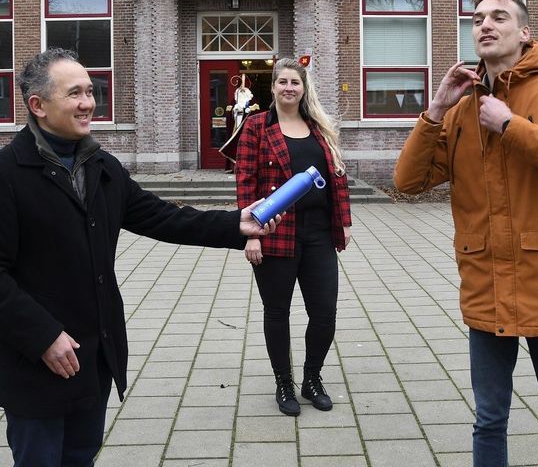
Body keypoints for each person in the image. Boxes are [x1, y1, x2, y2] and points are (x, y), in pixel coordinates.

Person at [0, 48, 282, 467]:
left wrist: (234, 225)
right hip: (36, 360)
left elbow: (161, 217)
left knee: (81, 455)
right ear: (37, 106)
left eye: (90, 91)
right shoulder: (7, 173)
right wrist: (42, 335)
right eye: (74, 93)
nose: (88, 102)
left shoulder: (101, 166)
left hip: (94, 352)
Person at [394, 0, 538, 466]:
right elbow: (407, 182)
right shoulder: (460, 107)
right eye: (477, 20)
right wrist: (434, 110)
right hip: (486, 285)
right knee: (489, 422)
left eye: (498, 17)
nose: (485, 25)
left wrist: (512, 126)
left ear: (525, 33)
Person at [235, 57, 352, 416]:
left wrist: (343, 221)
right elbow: (246, 182)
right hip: (274, 233)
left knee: (324, 313)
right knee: (277, 312)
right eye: (282, 82)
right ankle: (283, 381)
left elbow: (338, 176)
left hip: (318, 233)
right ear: (272, 87)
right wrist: (250, 236)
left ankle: (311, 377)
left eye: (295, 83)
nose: (289, 88)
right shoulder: (256, 126)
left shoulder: (318, 126)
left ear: (304, 89)